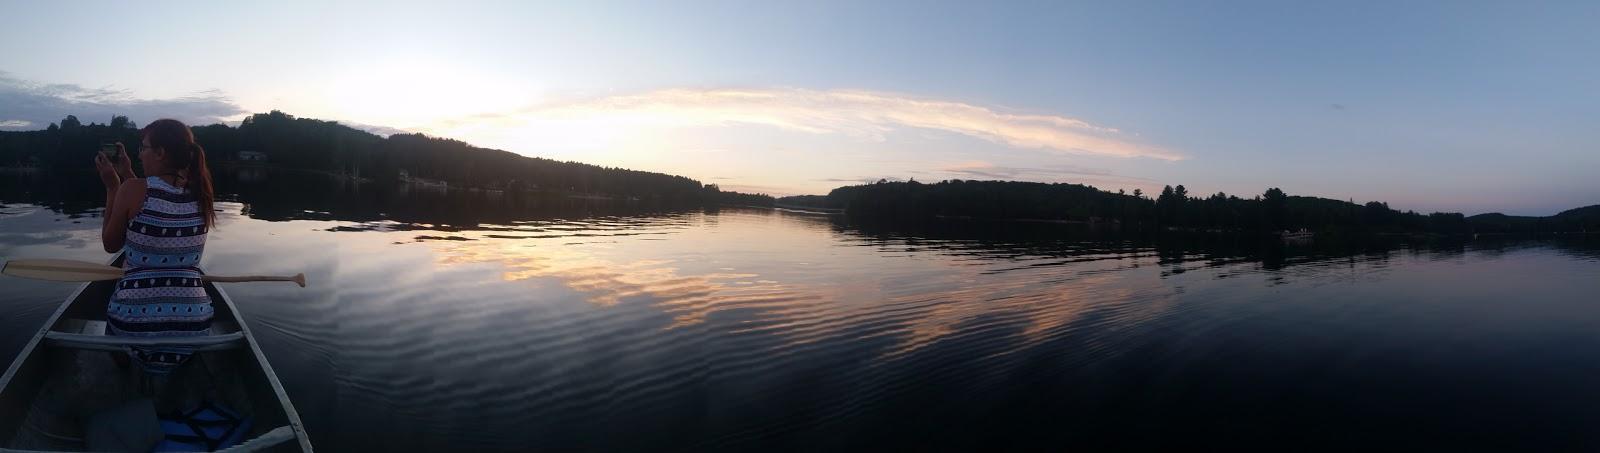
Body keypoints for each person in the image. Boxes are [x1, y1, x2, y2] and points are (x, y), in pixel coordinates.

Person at [94, 118, 217, 374]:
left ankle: (128, 374)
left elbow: (110, 244)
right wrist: (127, 174)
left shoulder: (130, 190)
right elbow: (156, 197)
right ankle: (175, 376)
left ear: (160, 153)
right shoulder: (201, 194)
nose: (139, 155)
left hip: (132, 324)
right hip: (195, 324)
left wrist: (112, 187)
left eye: (143, 148)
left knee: (115, 328)